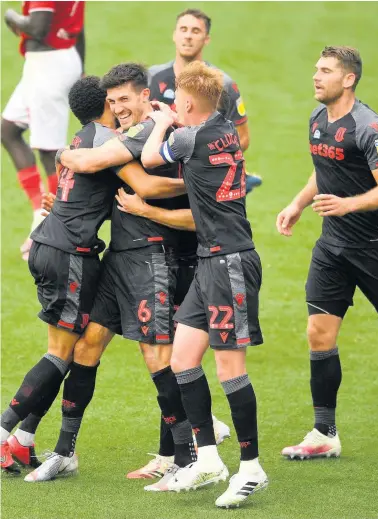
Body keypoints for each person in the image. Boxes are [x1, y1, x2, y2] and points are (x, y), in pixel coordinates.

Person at [23, 63, 202, 484]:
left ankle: (187, 458)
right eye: (113, 101)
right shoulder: (133, 133)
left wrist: (65, 155)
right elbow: (99, 184)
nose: (119, 108)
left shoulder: (161, 132)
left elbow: (148, 183)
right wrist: (63, 208)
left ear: (145, 96)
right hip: (117, 259)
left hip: (151, 260)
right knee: (86, 347)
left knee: (158, 358)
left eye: (125, 99)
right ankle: (65, 452)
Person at [139, 61, 268, 508]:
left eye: (177, 99)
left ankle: (251, 467)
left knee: (231, 368)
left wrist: (159, 122)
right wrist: (175, 117)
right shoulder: (225, 128)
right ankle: (209, 459)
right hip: (211, 259)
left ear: (187, 103)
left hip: (229, 263)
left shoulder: (189, 137)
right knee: (182, 359)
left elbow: (150, 158)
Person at [276, 46, 378, 460]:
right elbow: (322, 171)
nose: (316, 77)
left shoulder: (369, 127)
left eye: (325, 71)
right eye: (316, 69)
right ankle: (324, 432)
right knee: (319, 334)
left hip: (373, 248)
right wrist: (297, 204)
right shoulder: (318, 120)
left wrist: (348, 204)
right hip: (332, 247)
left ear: (349, 78)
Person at [1, 1, 85, 260]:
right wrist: (79, 64)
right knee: (8, 130)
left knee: (50, 152)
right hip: (53, 60)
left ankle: (56, 228)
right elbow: (78, 27)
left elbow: (37, 27)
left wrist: (10, 16)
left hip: (49, 65)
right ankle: (40, 210)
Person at [148, 8, 262, 196]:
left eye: (195, 31)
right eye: (183, 29)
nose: (188, 36)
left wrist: (208, 161)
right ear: (174, 35)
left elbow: (243, 138)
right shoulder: (151, 77)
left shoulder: (223, 84)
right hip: (159, 173)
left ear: (206, 39)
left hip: (200, 178)